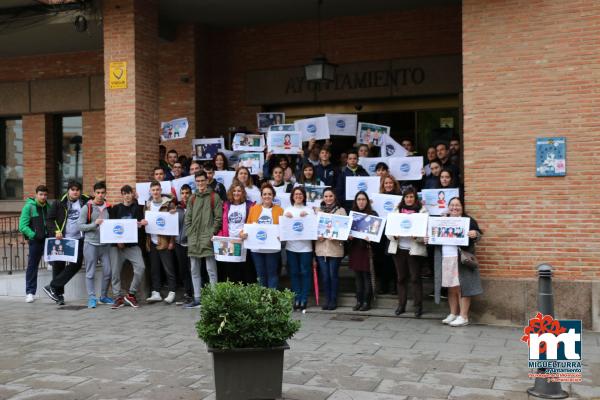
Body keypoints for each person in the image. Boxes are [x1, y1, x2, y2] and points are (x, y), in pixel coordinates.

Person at [431, 197, 482, 327]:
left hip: (461, 259)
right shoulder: (442, 221)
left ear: (462, 207)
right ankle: (453, 313)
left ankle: (463, 316)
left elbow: (479, 235)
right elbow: (433, 236)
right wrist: (428, 238)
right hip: (446, 258)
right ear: (448, 207)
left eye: (457, 205)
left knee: (461, 287)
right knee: (450, 287)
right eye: (452, 205)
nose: (454, 207)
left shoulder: (468, 220)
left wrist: (474, 233)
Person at [43, 180, 89, 306]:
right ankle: (58, 295)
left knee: (76, 264)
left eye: (77, 190)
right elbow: (49, 220)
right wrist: (56, 231)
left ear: (80, 191)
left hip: (79, 239)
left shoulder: (86, 200)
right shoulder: (59, 203)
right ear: (68, 190)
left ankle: (52, 286)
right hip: (62, 239)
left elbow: (100, 201)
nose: (75, 192)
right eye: (73, 189)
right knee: (59, 266)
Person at [386, 186, 428, 318]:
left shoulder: (422, 212)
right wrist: (395, 236)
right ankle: (401, 305)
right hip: (399, 250)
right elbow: (388, 232)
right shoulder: (397, 210)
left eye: (411, 197)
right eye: (407, 197)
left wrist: (418, 237)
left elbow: (426, 234)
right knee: (401, 278)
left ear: (415, 198)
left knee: (415, 278)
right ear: (403, 198)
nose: (409, 199)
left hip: (414, 250)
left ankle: (418, 306)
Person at [185, 171, 223, 308]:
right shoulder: (192, 198)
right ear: (195, 182)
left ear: (207, 181)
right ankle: (197, 298)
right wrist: (190, 233)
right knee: (194, 269)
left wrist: (211, 233)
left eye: (202, 181)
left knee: (211, 270)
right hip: (194, 239)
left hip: (208, 239)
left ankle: (213, 298)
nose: (200, 183)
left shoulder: (215, 197)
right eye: (198, 181)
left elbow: (218, 219)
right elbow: (187, 218)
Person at [108, 185, 147, 309]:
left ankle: (131, 294)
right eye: (124, 193)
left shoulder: (138, 208)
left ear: (133, 194)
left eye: (129, 193)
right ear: (122, 195)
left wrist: (143, 224)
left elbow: (141, 223)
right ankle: (117, 297)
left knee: (141, 267)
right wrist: (117, 240)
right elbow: (112, 226)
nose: (127, 195)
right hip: (117, 247)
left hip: (132, 246)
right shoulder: (116, 209)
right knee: (115, 272)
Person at [78, 181, 113, 308]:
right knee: (90, 272)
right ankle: (92, 297)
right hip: (90, 244)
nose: (100, 195)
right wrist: (94, 224)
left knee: (108, 271)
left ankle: (103, 296)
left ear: (105, 193)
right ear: (94, 193)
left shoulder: (109, 207)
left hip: (105, 245)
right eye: (98, 193)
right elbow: (79, 226)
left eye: (102, 193)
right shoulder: (86, 207)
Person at [242, 183, 283, 289]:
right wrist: (243, 233)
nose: (267, 196)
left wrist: (281, 235)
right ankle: (263, 301)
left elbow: (283, 229)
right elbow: (248, 224)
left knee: (272, 274)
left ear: (273, 196)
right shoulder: (254, 208)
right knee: (261, 275)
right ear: (261, 196)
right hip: (257, 249)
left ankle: (271, 300)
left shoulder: (279, 210)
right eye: (264, 194)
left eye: (269, 194)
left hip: (272, 249)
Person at [145, 180, 178, 304]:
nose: (155, 192)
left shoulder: (168, 204)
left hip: (165, 241)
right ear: (150, 191)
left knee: (168, 268)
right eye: (153, 190)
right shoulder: (147, 204)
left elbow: (173, 224)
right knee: (154, 268)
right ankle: (156, 292)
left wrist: (172, 241)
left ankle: (172, 291)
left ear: (160, 190)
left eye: (157, 190)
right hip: (152, 241)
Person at [283, 187, 314, 311]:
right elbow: (283, 228)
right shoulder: (287, 210)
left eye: (300, 194)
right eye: (296, 194)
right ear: (292, 196)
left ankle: (304, 299)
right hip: (291, 247)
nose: (298, 196)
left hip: (306, 247)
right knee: (294, 273)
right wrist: (286, 218)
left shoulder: (309, 210)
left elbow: (313, 227)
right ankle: (297, 298)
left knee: (306, 272)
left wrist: (307, 216)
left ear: (304, 196)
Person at [216, 182, 254, 283]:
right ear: (230, 192)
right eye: (234, 191)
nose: (236, 193)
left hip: (244, 242)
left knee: (245, 270)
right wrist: (217, 237)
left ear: (243, 193)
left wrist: (245, 232)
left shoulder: (249, 205)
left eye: (239, 191)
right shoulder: (226, 205)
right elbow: (222, 223)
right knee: (230, 270)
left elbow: (252, 222)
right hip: (229, 242)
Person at [315, 188, 346, 310]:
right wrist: (318, 236)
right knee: (325, 276)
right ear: (323, 198)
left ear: (334, 197)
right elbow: (313, 229)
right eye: (326, 196)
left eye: (330, 196)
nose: (328, 199)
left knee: (333, 275)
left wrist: (337, 237)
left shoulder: (341, 211)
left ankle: (333, 300)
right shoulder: (318, 211)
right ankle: (326, 299)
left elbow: (344, 230)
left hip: (335, 249)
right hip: (321, 248)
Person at [19, 185, 49, 303]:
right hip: (35, 241)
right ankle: (30, 292)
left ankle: (57, 291)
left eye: (45, 195)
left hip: (48, 240)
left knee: (56, 264)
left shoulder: (48, 206)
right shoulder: (29, 207)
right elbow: (22, 226)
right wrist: (34, 235)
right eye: (41, 194)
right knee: (32, 266)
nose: (43, 197)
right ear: (36, 195)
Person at [348, 191, 376, 311]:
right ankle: (359, 301)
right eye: (359, 199)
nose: (361, 201)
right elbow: (346, 233)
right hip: (355, 249)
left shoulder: (373, 215)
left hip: (367, 250)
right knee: (357, 276)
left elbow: (377, 236)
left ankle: (366, 302)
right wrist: (348, 237)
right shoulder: (352, 215)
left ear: (367, 201)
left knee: (366, 276)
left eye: (363, 199)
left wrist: (371, 239)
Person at [373, 174, 400, 295]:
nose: (388, 185)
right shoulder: (378, 198)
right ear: (383, 185)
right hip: (381, 232)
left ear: (394, 184)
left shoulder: (400, 198)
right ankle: (383, 285)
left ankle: (394, 286)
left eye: (391, 183)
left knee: (392, 259)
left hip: (394, 232)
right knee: (381, 259)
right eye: (386, 183)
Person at [173, 184, 193, 306]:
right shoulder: (177, 208)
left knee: (194, 269)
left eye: (187, 193)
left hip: (191, 243)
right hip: (179, 243)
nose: (185, 195)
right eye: (183, 193)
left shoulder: (195, 206)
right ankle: (187, 293)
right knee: (183, 269)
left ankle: (196, 292)